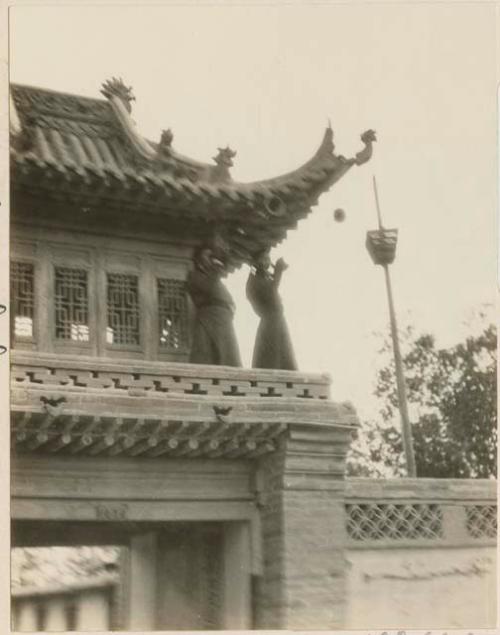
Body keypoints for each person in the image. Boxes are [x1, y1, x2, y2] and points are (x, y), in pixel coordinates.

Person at [187, 245, 242, 366]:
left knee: (228, 355)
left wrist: (230, 306)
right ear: (198, 260)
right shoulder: (194, 276)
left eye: (211, 257)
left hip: (223, 319)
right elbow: (209, 288)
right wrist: (215, 269)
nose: (211, 260)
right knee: (207, 355)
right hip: (210, 319)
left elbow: (225, 297)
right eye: (207, 256)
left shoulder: (213, 277)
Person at [246, 250, 297, 370]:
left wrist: (277, 273)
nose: (267, 262)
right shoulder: (254, 280)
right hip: (270, 323)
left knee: (284, 356)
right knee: (272, 358)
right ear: (255, 262)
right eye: (263, 259)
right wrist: (278, 272)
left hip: (277, 321)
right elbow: (270, 294)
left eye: (268, 259)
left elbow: (272, 288)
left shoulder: (265, 277)